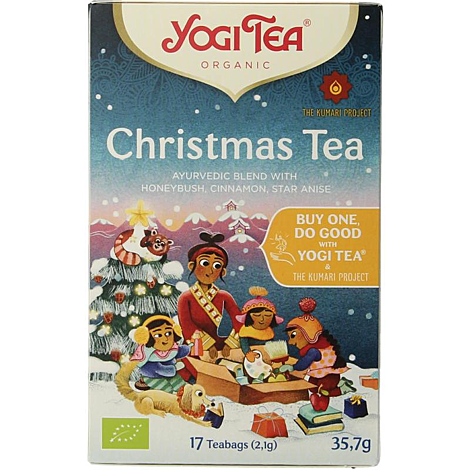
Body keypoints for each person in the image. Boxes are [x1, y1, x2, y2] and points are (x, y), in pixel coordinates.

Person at [178, 232, 242, 359]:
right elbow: (187, 326)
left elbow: (239, 321)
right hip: (195, 345)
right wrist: (207, 345)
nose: (211, 271)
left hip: (218, 344)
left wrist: (231, 343)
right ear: (192, 266)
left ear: (222, 271)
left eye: (217, 265)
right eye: (205, 263)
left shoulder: (225, 297)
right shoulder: (186, 298)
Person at [285, 297, 353, 411]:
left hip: (329, 375)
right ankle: (316, 404)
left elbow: (304, 364)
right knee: (312, 387)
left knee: (323, 391)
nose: (290, 342)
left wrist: (292, 367)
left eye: (293, 336)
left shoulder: (314, 351)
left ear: (308, 334)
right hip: (318, 374)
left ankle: (342, 389)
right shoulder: (315, 347)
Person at [130, 315, 190, 392]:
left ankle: (183, 392)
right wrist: (171, 370)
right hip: (153, 377)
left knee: (180, 385)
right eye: (158, 335)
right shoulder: (147, 352)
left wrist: (187, 349)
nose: (165, 339)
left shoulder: (171, 347)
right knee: (167, 390)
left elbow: (177, 351)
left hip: (171, 372)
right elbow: (156, 368)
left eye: (168, 333)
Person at [236, 286, 284, 354]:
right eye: (257, 315)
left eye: (267, 316)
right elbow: (244, 346)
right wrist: (248, 353)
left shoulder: (269, 332)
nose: (262, 319)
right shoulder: (245, 331)